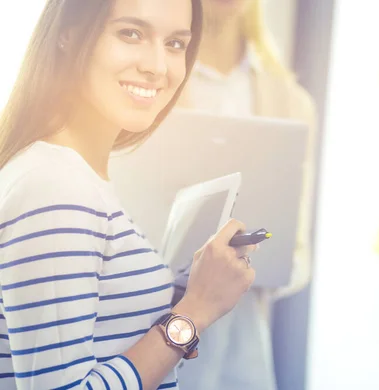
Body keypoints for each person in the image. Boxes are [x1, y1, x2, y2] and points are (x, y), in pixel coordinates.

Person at [0, 0, 256, 389]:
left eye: (175, 43)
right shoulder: (55, 187)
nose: (157, 66)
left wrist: (190, 289)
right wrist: (193, 312)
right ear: (68, 34)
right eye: (131, 33)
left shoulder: (76, 179)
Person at [174, 0, 318, 389]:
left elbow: (297, 249)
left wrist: (257, 269)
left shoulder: (292, 101)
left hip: (242, 348)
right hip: (153, 329)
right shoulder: (154, 78)